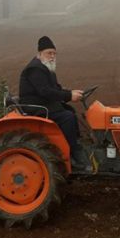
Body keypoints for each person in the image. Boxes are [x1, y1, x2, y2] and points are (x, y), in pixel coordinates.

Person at [19, 35, 90, 170]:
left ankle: (76, 143)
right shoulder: (35, 68)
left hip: (44, 103)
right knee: (67, 117)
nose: (52, 56)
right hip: (35, 107)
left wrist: (72, 92)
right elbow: (45, 91)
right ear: (39, 54)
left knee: (70, 111)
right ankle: (72, 153)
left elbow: (55, 89)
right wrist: (69, 95)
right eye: (49, 53)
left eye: (54, 53)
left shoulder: (47, 68)